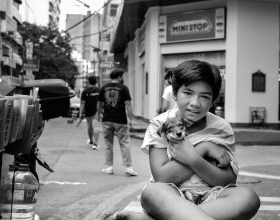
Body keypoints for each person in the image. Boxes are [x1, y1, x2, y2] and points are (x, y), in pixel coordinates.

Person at [111, 60, 260, 220]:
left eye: (204, 96)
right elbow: (163, 177)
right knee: (152, 192)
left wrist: (193, 158)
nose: (195, 103)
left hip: (211, 197)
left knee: (248, 198)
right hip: (171, 197)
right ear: (174, 94)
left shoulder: (221, 128)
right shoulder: (160, 124)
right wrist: (202, 149)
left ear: (213, 100)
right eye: (188, 93)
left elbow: (227, 180)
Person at [97, 69, 138, 176]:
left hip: (107, 119)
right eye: (122, 76)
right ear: (119, 77)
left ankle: (109, 167)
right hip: (120, 120)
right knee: (124, 143)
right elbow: (128, 104)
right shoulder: (124, 88)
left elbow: (99, 103)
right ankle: (128, 167)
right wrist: (131, 118)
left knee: (108, 144)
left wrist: (98, 116)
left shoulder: (104, 88)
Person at [79, 75, 101, 150]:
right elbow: (102, 102)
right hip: (97, 111)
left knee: (90, 126)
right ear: (96, 82)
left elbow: (82, 103)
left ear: (89, 82)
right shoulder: (99, 90)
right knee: (96, 126)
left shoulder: (85, 91)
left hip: (88, 111)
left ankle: (91, 141)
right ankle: (95, 144)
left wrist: (80, 113)